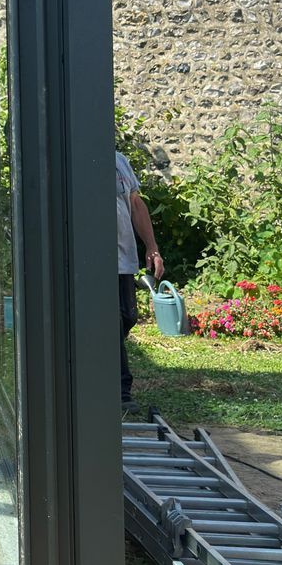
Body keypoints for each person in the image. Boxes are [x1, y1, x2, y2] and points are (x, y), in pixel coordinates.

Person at [116, 150, 164, 409]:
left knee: (128, 317)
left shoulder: (119, 160)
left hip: (123, 258)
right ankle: (120, 390)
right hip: (93, 260)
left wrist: (152, 247)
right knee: (111, 323)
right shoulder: (77, 156)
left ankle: (105, 375)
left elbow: (135, 204)